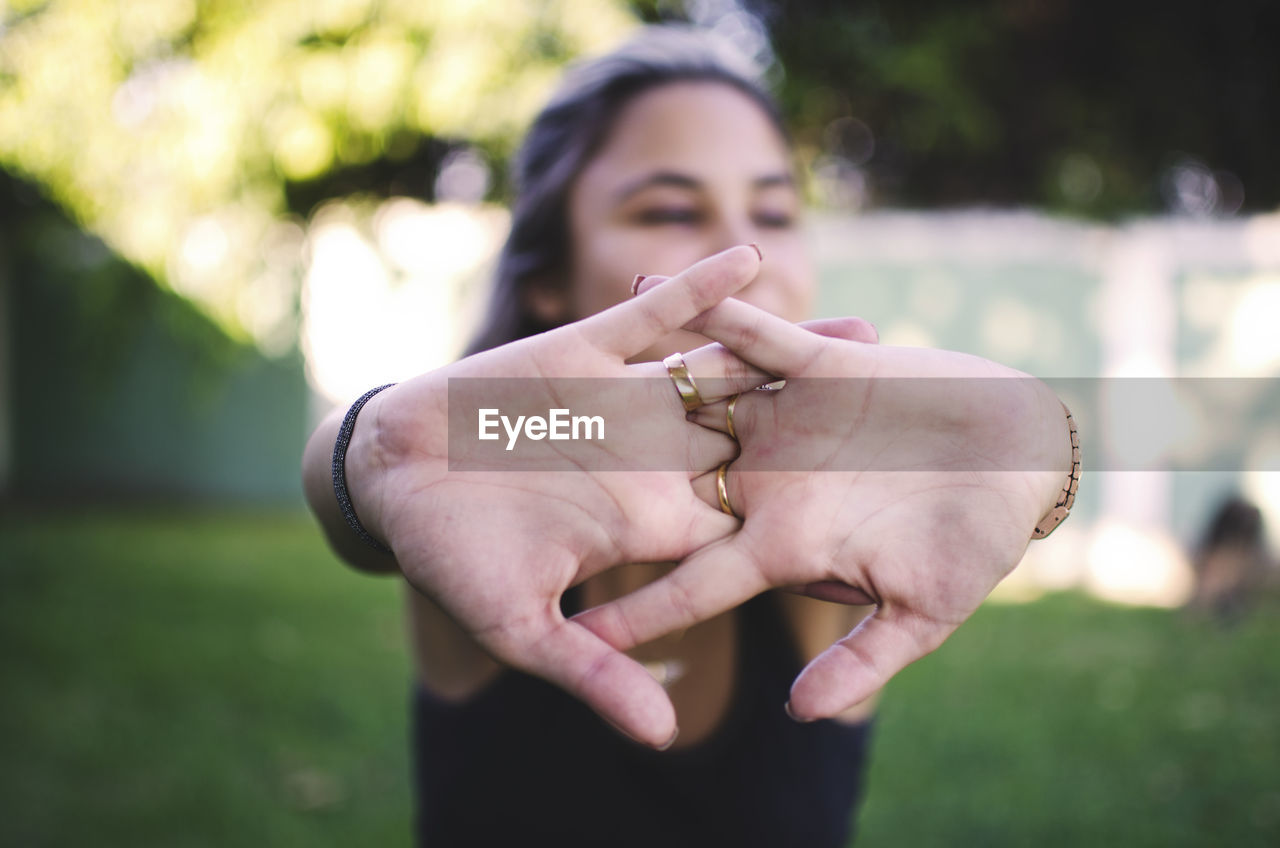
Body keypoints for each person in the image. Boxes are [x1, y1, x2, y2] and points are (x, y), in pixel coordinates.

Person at [301, 26, 1076, 847]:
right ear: (550, 279)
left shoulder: (830, 552)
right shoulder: (492, 496)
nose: (743, 255)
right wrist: (374, 454)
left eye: (774, 211)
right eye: (671, 208)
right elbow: (372, 493)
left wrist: (1047, 454)